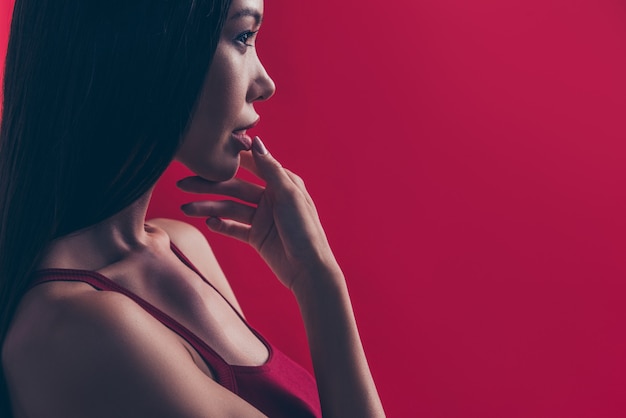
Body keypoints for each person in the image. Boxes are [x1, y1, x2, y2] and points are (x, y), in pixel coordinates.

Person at [0, 0, 386, 417]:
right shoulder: (75, 329)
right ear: (147, 49)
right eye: (242, 37)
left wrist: (316, 279)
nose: (265, 83)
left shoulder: (184, 246)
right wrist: (322, 286)